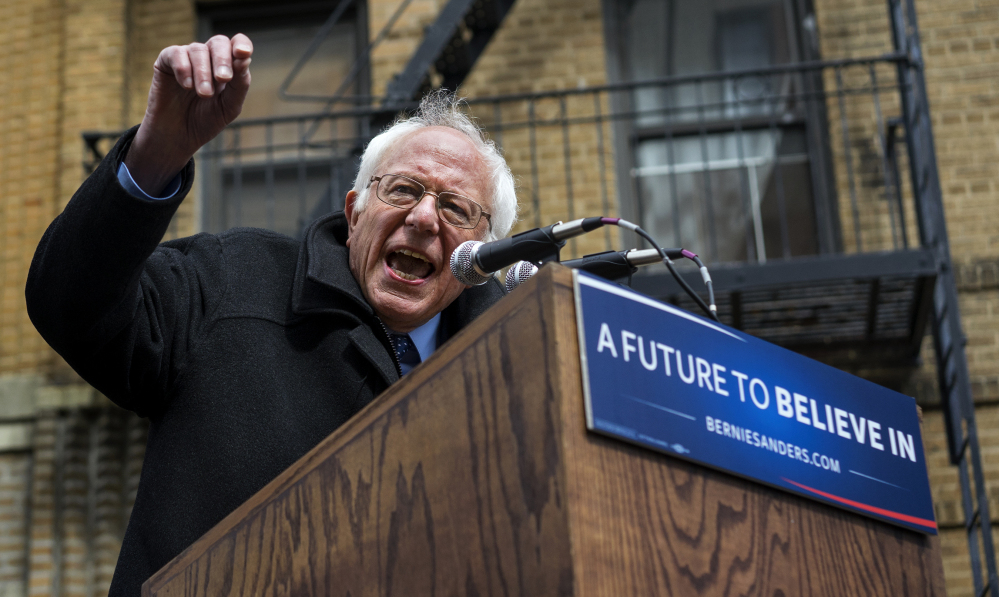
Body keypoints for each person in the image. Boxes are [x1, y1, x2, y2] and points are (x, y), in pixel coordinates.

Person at [26, 34, 517, 596]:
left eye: (456, 207)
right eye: (403, 189)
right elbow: (70, 306)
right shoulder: (232, 278)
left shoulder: (513, 368)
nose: (425, 218)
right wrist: (156, 153)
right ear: (355, 213)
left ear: (482, 254)